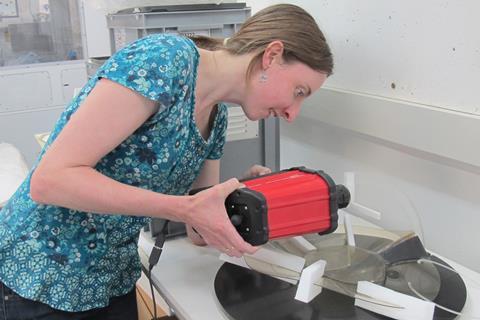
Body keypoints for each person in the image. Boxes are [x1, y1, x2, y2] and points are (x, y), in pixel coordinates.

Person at [0, 3, 333, 319]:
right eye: (299, 92)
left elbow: (199, 229)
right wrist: (183, 208)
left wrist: (242, 195)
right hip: (41, 277)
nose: (292, 113)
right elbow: (50, 181)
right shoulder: (164, 61)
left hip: (111, 279)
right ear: (271, 56)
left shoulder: (215, 119)